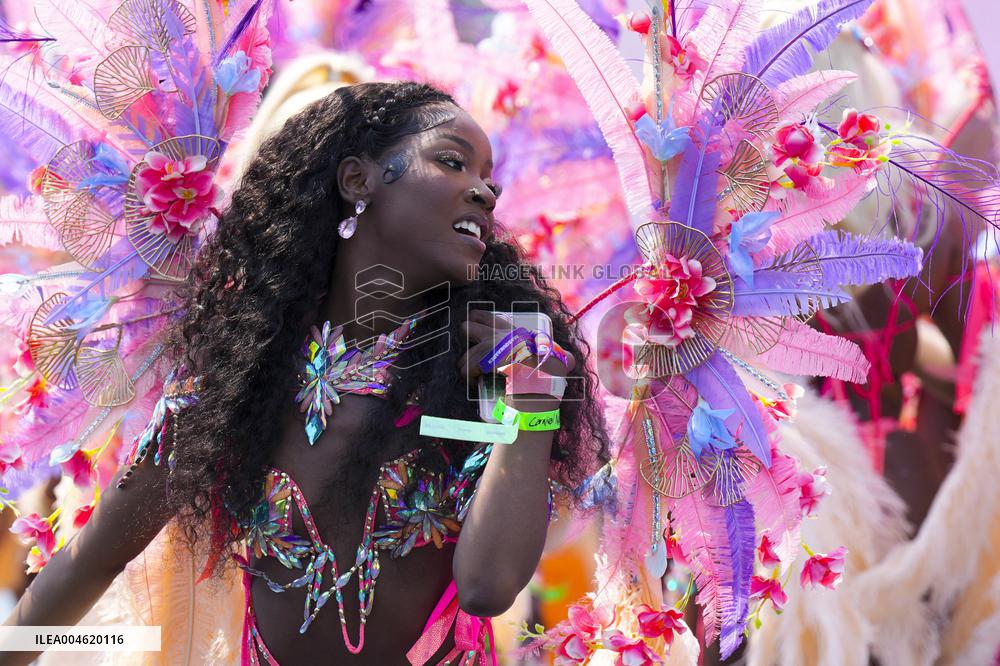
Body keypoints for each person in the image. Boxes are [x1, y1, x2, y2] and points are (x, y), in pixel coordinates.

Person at [0, 81, 610, 665]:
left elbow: (487, 587)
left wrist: (533, 404)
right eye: (453, 162)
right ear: (357, 180)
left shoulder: (486, 373)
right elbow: (89, 565)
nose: (484, 193)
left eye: (489, 180)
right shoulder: (234, 389)